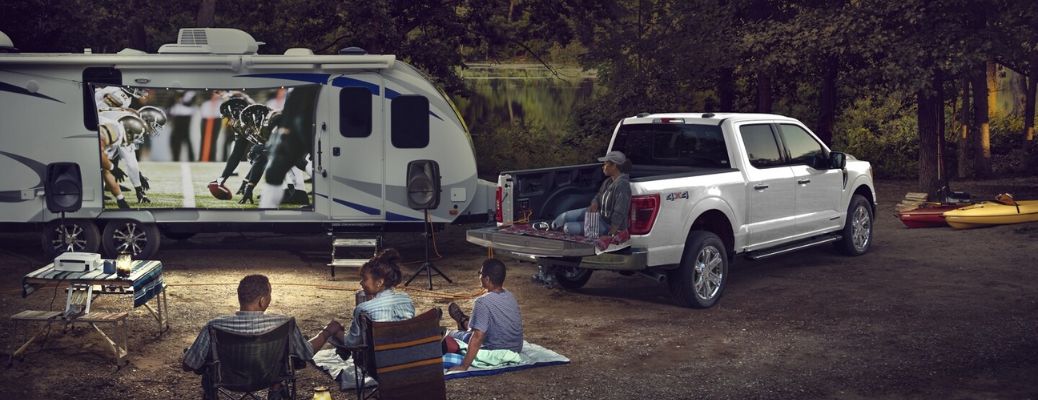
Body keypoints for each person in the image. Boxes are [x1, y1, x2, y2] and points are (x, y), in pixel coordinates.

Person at [182, 274, 344, 399]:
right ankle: (276, 392)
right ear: (262, 300)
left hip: (227, 381)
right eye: (270, 294)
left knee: (208, 364)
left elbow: (189, 364)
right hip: (269, 378)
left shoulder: (215, 326)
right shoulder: (284, 324)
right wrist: (326, 332)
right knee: (284, 358)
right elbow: (306, 353)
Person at [444, 258, 524, 372]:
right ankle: (465, 321)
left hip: (494, 350)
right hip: (516, 348)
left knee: (452, 334)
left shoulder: (482, 302)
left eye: (480, 273)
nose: (479, 276)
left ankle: (463, 322)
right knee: (479, 326)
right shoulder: (510, 296)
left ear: (487, 279)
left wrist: (464, 366)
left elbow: (478, 337)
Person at [340, 248, 416, 349]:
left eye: (364, 278)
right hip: (408, 354)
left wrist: (336, 333)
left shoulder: (363, 309)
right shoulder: (406, 299)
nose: (361, 283)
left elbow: (352, 343)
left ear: (379, 282)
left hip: (381, 358)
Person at [549, 150, 633, 241]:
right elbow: (599, 195)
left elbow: (619, 212)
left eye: (606, 164)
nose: (603, 167)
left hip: (608, 225)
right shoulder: (608, 181)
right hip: (598, 216)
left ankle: (554, 234)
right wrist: (594, 203)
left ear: (614, 166)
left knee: (568, 227)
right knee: (563, 217)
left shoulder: (622, 185)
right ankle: (549, 228)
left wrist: (611, 234)